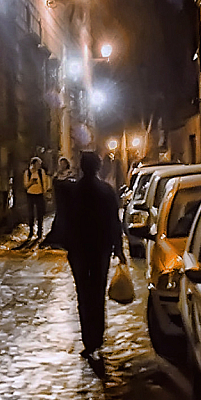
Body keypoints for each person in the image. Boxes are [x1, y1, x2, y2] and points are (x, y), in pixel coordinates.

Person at [65, 151, 126, 360]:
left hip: (80, 250)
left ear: (82, 167)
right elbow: (114, 222)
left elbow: (66, 221)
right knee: (97, 293)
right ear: (98, 167)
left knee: (83, 294)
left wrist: (66, 245)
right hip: (100, 250)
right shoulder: (106, 191)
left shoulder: (74, 191)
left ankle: (88, 339)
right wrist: (119, 250)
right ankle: (97, 336)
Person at [40, 157, 74, 248]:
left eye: (64, 163)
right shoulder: (57, 174)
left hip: (67, 200)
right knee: (59, 216)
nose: (62, 165)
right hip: (59, 199)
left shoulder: (70, 174)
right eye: (61, 163)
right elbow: (53, 184)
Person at [23, 156, 49, 241]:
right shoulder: (28, 173)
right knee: (31, 214)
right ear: (33, 164)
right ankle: (31, 231)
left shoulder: (42, 172)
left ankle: (39, 233)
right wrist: (31, 182)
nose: (39, 166)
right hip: (30, 195)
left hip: (39, 195)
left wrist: (45, 193)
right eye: (37, 164)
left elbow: (44, 183)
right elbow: (26, 185)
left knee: (40, 214)